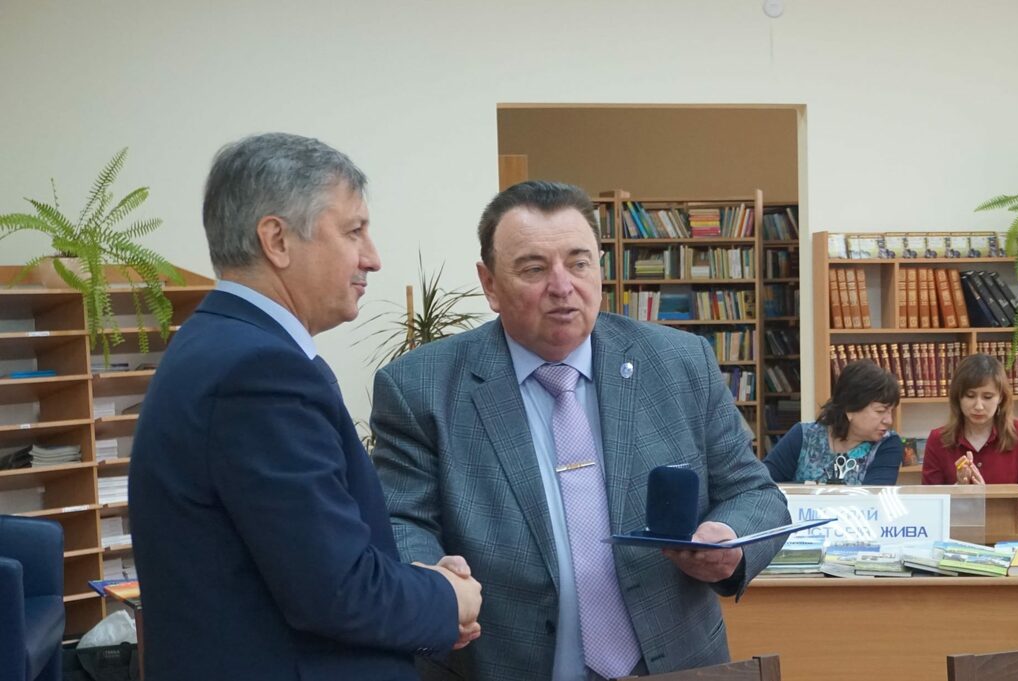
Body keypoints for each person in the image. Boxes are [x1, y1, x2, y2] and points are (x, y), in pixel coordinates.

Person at [371, 180, 790, 681]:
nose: (562, 286)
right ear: (489, 284)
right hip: (503, 663)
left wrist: (732, 541)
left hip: (676, 663)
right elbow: (400, 519)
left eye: (579, 262)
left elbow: (753, 492)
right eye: (533, 268)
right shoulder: (422, 387)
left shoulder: (679, 362)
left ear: (600, 268)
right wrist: (431, 583)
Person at [128, 133, 481, 681]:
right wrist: (446, 597)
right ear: (277, 240)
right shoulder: (260, 373)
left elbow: (296, 557)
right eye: (354, 231)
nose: (373, 258)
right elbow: (336, 593)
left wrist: (414, 582)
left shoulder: (217, 342)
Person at [763, 359, 903, 485]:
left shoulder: (888, 444)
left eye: (891, 411)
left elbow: (874, 497)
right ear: (850, 409)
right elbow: (762, 484)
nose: (889, 421)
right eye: (880, 411)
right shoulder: (803, 436)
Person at [922, 353, 1018, 485]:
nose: (978, 406)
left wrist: (987, 494)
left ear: (1001, 398)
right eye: (970, 396)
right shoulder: (937, 439)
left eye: (987, 397)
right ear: (958, 397)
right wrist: (959, 489)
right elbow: (931, 496)